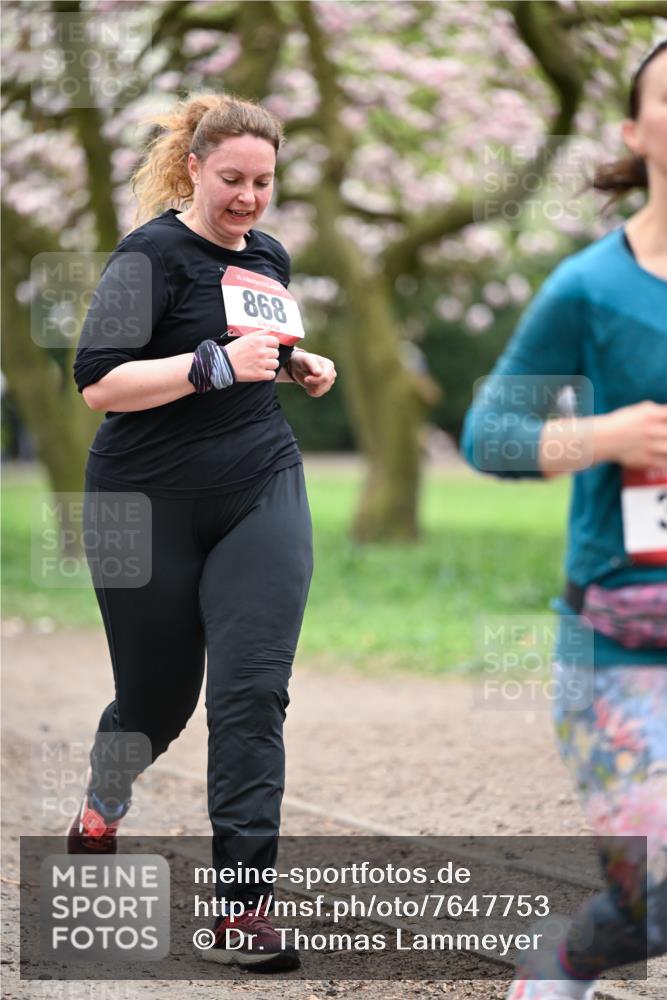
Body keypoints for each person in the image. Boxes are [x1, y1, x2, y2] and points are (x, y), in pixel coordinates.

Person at [70, 93, 336, 972]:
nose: (248, 198)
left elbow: (253, 346)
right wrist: (209, 365)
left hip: (259, 483)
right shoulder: (146, 256)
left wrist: (295, 365)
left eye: (263, 181)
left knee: (251, 694)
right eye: (231, 179)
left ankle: (241, 912)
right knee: (156, 707)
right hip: (142, 503)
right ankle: (106, 795)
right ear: (193, 167)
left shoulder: (268, 255)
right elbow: (98, 383)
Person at [460, 41, 667, 1000]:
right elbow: (488, 434)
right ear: (635, 132)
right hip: (620, 641)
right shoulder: (590, 286)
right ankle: (563, 965)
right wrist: (606, 435)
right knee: (653, 903)